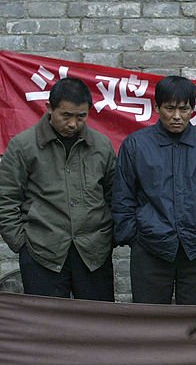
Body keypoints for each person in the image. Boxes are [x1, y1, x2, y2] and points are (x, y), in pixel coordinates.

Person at [112, 75, 196, 304]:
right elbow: (123, 196)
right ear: (157, 107)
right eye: (170, 108)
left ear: (193, 109)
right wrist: (134, 237)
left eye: (184, 109)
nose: (177, 116)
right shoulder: (136, 145)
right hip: (150, 248)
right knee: (149, 323)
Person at [0, 77, 116, 300]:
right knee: (46, 326)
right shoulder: (24, 145)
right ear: (49, 109)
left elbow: (114, 195)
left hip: (93, 252)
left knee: (98, 324)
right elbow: (6, 199)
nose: (73, 123)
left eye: (81, 116)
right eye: (66, 115)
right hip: (41, 252)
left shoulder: (101, 146)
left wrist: (107, 237)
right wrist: (22, 244)